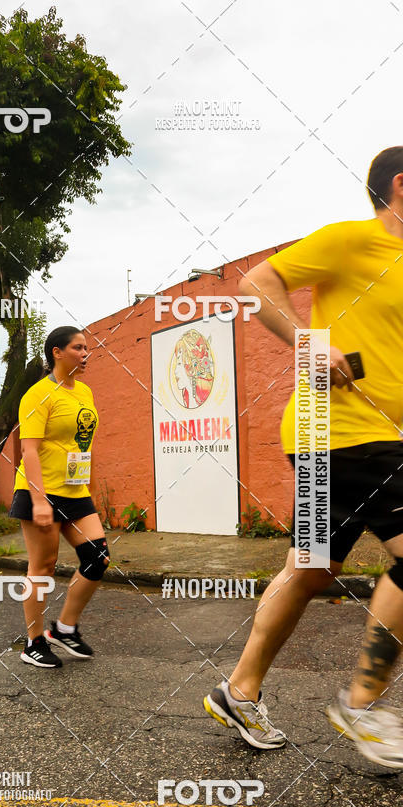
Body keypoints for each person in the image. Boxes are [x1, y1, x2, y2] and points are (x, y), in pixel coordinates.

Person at [204, 146, 403, 768]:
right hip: (348, 431)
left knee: (311, 571)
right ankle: (364, 704)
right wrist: (311, 342)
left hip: (342, 438)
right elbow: (254, 284)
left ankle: (238, 690)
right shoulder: (352, 241)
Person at [9, 326, 110, 668]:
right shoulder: (38, 394)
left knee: (98, 558)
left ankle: (64, 628)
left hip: (75, 491)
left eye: (87, 348)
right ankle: (33, 641)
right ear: (57, 352)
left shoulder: (85, 392)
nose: (86, 353)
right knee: (43, 567)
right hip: (41, 489)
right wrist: (38, 500)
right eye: (78, 347)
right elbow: (30, 450)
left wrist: (90, 488)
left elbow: (84, 443)